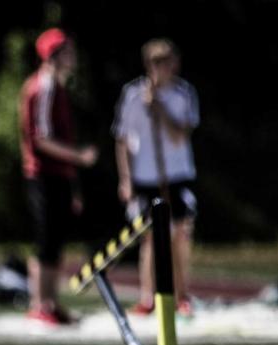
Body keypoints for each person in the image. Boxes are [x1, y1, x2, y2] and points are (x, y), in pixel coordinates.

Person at [19, 28, 99, 326]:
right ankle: (40, 303)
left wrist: (73, 183)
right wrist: (78, 157)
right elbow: (40, 138)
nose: (74, 57)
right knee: (46, 240)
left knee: (56, 240)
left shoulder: (57, 87)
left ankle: (50, 303)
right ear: (53, 55)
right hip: (44, 175)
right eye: (68, 51)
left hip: (58, 174)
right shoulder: (43, 87)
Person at [113, 38, 199, 316]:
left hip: (176, 174)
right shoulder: (133, 95)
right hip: (146, 177)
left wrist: (160, 110)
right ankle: (147, 296)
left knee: (180, 236)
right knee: (149, 238)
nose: (164, 68)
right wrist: (125, 178)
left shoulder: (183, 94)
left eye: (168, 62)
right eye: (157, 63)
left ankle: (182, 294)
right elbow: (122, 139)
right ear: (149, 65)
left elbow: (179, 135)